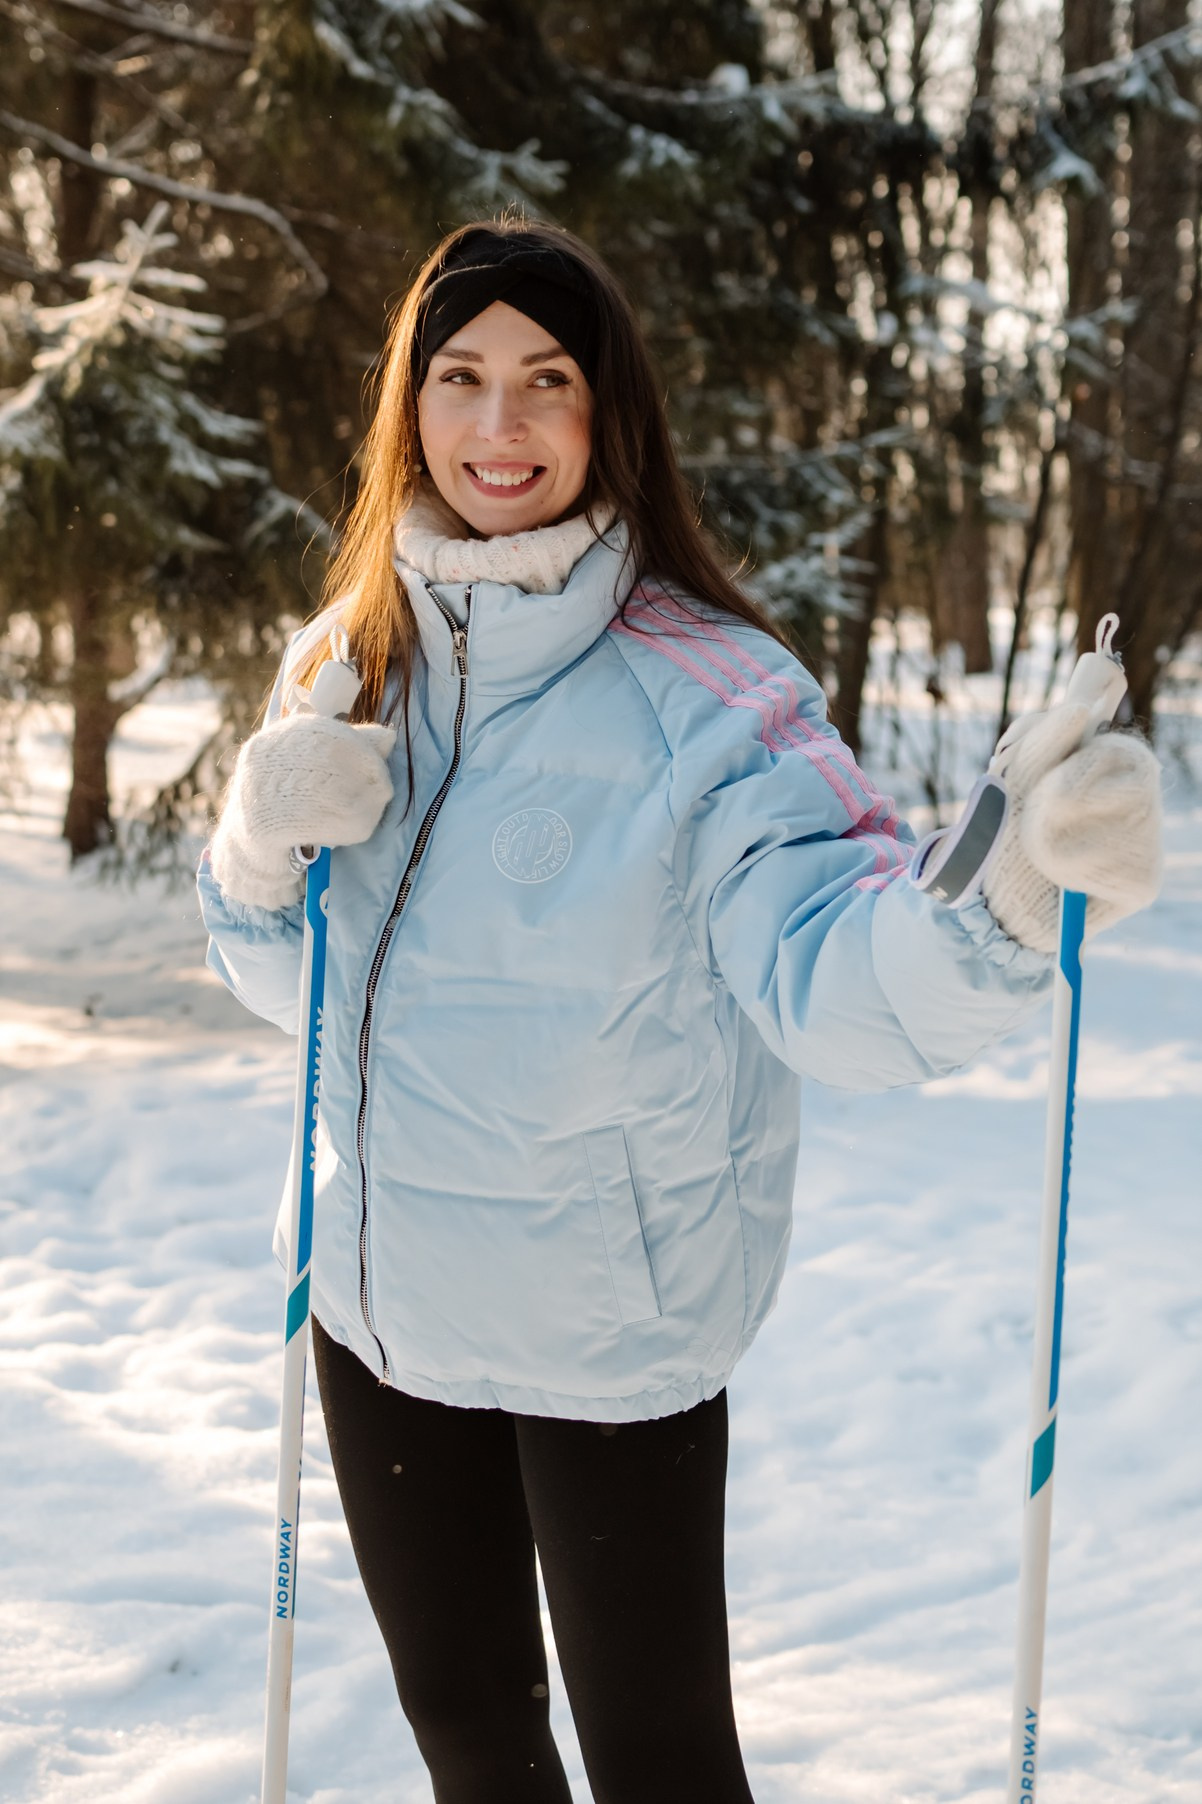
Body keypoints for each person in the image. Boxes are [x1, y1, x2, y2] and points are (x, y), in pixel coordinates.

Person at [198, 220, 1163, 1804]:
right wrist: (250, 857)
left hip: (608, 1332)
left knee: (657, 1766)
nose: (497, 427)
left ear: (609, 417)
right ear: (407, 409)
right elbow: (294, 986)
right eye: (459, 378)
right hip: (381, 1313)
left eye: (545, 382)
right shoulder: (345, 662)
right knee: (470, 1742)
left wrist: (1000, 905)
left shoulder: (714, 697)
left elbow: (834, 971)